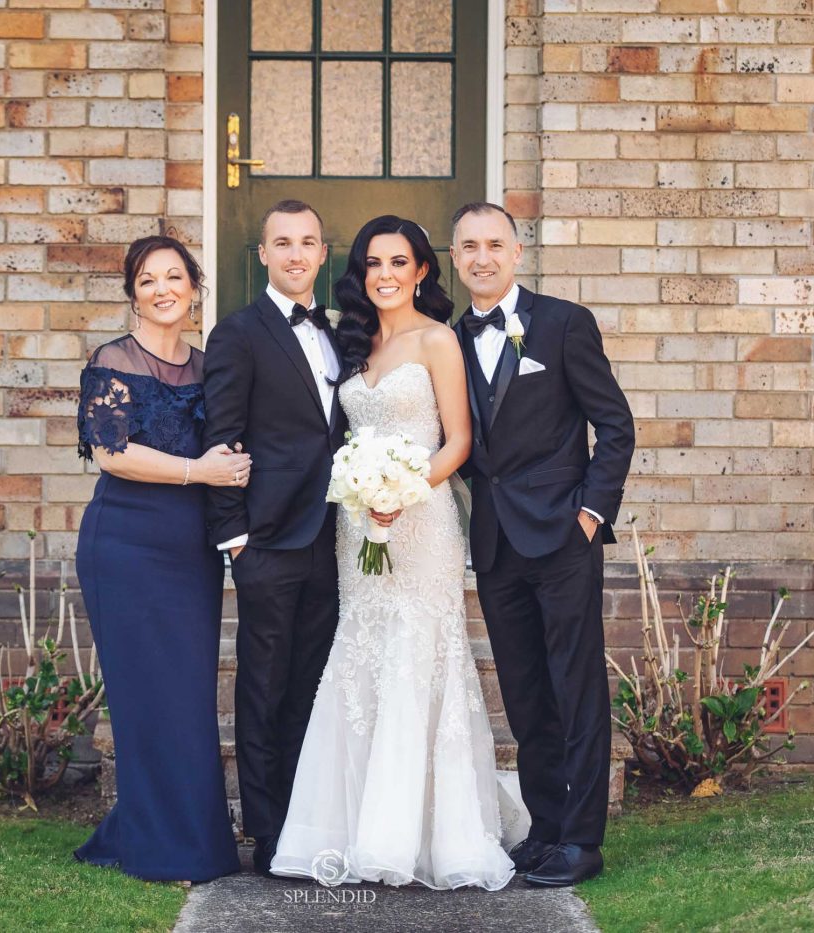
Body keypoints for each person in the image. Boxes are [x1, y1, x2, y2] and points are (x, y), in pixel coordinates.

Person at [269, 215, 521, 891]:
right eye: (373, 263)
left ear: (421, 271)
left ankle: (423, 833)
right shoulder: (350, 345)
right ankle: (349, 826)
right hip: (358, 526)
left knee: (418, 653)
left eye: (399, 262)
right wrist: (368, 494)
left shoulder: (438, 339)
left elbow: (458, 440)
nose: (385, 275)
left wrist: (404, 491)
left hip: (422, 521)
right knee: (362, 655)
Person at [449, 202, 635, 887]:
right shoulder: (450, 339)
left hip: (562, 536)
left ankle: (582, 840)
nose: (483, 258)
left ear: (517, 252)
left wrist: (590, 512)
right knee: (526, 695)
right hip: (496, 543)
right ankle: (546, 828)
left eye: (494, 244)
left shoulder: (562, 324)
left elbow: (615, 425)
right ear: (454, 257)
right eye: (469, 247)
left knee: (575, 689)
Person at [73, 235, 247, 883]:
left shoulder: (208, 368)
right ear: (133, 295)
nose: (162, 289)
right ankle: (161, 847)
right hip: (124, 545)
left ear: (194, 288)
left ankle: (177, 835)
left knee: (187, 696)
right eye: (147, 280)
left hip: (191, 552)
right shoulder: (113, 360)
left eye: (174, 277)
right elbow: (111, 451)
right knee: (146, 698)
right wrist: (198, 470)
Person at [202, 200, 348, 876]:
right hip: (266, 538)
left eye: (307, 242)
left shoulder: (340, 332)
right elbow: (221, 435)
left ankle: (306, 820)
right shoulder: (238, 333)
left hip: (333, 535)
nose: (296, 254)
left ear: (323, 253)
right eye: (282, 242)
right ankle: (266, 829)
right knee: (263, 686)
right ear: (262, 254)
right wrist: (234, 538)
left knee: (311, 685)